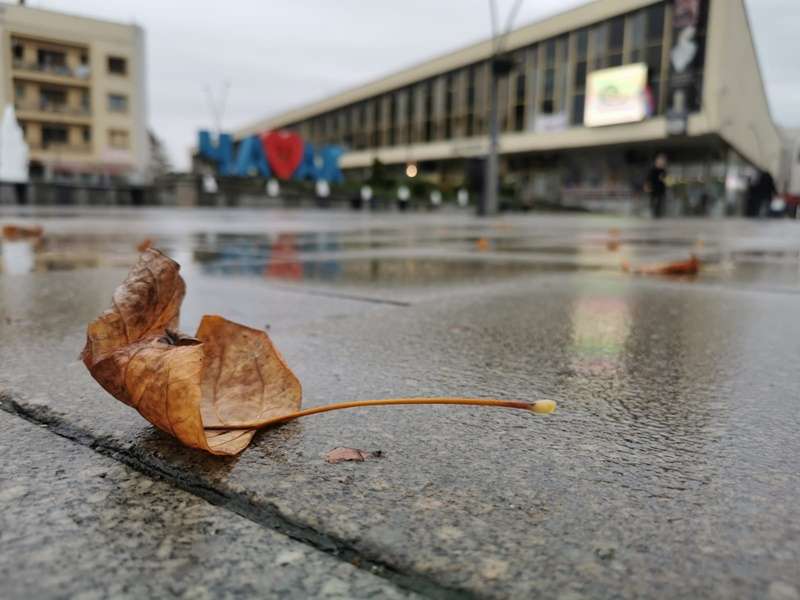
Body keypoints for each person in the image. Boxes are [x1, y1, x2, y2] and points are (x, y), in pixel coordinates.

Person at [645, 154, 668, 218]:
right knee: (653, 202)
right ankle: (653, 214)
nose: (661, 162)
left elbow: (665, 179)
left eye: (663, 161)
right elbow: (648, 179)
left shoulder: (663, 170)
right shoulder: (652, 170)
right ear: (656, 161)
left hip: (661, 189)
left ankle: (658, 215)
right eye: (660, 161)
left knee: (660, 203)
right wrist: (647, 186)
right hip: (653, 189)